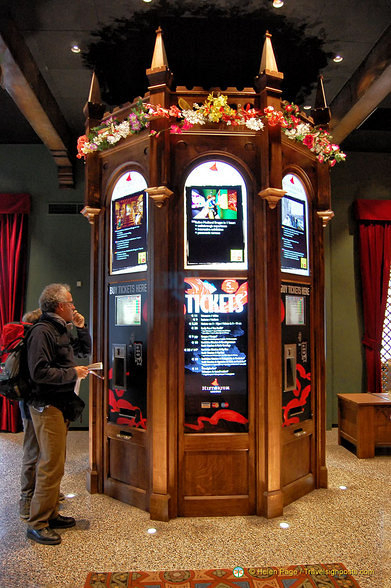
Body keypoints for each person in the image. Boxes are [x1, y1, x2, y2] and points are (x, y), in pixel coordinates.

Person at [26, 284, 91, 545]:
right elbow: (39, 372)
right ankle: (37, 523)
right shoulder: (42, 331)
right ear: (60, 306)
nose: (74, 306)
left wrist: (82, 327)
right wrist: (72, 373)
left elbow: (83, 351)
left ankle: (51, 514)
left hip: (60, 403)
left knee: (57, 463)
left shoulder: (59, 328)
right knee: (50, 465)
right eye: (71, 303)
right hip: (47, 405)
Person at [18, 308, 66, 520]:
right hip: (36, 403)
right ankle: (28, 502)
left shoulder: (43, 335)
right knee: (34, 453)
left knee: (43, 455)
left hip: (39, 403)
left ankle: (44, 498)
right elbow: (39, 372)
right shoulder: (39, 335)